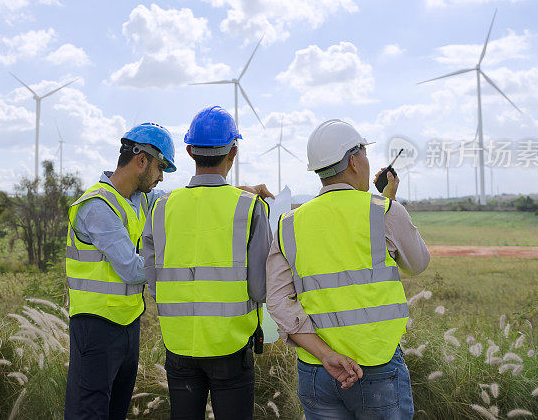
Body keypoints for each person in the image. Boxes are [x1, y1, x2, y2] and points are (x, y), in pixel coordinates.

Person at [266, 119, 431, 420]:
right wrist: (390, 203)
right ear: (354, 161)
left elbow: (277, 301)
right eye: (365, 152)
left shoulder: (288, 224)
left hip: (318, 369)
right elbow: (418, 263)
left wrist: (327, 355)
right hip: (378, 367)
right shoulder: (383, 211)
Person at [141, 105, 274, 420]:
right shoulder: (249, 208)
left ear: (188, 151)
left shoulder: (161, 208)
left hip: (179, 344)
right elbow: (260, 288)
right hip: (230, 347)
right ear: (234, 152)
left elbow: (155, 283)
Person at [65, 123, 177, 420]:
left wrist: (237, 193)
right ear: (142, 160)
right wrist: (177, 263)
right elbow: (131, 268)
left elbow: (182, 202)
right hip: (96, 327)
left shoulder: (139, 200)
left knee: (115, 411)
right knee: (89, 412)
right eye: (160, 167)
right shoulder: (97, 205)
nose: (161, 177)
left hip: (127, 324)